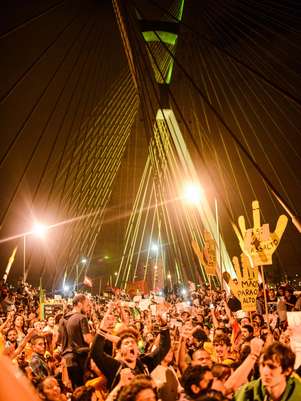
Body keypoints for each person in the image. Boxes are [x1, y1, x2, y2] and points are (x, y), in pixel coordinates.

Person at [91, 320, 170, 390]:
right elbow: (96, 352)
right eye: (126, 343)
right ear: (119, 350)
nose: (130, 344)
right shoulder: (115, 367)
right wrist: (102, 330)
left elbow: (163, 348)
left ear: (137, 349)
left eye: (133, 342)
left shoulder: (144, 364)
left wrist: (163, 325)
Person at [234, 342, 301, 401]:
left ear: (287, 371)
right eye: (262, 365)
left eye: (272, 367)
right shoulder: (248, 393)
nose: (265, 372)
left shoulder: (298, 395)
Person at [58, 294, 93, 389]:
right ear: (79, 304)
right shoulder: (82, 317)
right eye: (87, 305)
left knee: (71, 390)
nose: (88, 307)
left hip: (66, 360)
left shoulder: (62, 319)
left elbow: (59, 340)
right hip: (78, 359)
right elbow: (88, 339)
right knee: (81, 391)